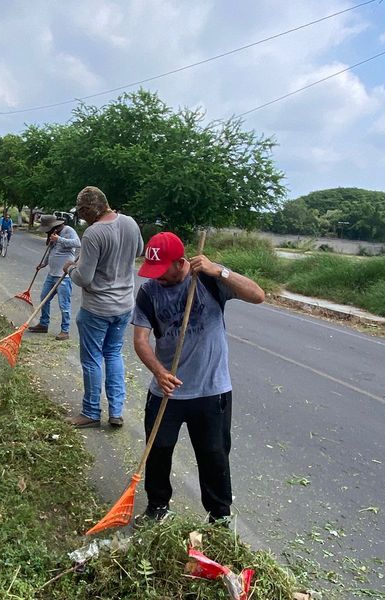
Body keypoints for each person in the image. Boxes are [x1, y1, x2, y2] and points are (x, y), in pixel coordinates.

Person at [131, 231, 265, 523]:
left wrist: (220, 270)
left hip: (211, 390)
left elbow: (258, 295)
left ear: (181, 262)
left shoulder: (208, 280)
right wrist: (159, 371)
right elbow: (140, 340)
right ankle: (157, 507)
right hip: (166, 390)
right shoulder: (148, 292)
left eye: (161, 271)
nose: (157, 278)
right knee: (158, 451)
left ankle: (219, 517)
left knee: (214, 455)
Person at [62, 186, 144, 428]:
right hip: (124, 305)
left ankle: (91, 412)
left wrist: (69, 268)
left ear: (89, 210)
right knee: (113, 354)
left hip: (97, 308)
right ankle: (116, 411)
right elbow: (138, 250)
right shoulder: (129, 222)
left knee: (92, 359)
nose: (82, 216)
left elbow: (84, 278)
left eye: (82, 212)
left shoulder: (93, 233)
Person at [29, 215, 81, 341]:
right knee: (44, 299)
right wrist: (44, 263)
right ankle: (44, 324)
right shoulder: (53, 234)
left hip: (63, 276)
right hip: (51, 274)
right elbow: (51, 251)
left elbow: (77, 243)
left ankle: (65, 330)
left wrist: (59, 239)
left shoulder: (68, 231)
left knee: (64, 304)